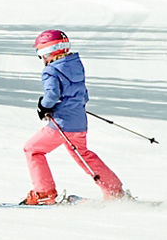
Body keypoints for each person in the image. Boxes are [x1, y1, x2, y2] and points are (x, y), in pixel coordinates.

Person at [19, 29, 124, 205]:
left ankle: (44, 193)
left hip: (61, 124)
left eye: (40, 54)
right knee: (84, 155)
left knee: (32, 149)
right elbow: (84, 96)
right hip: (79, 121)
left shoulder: (51, 71)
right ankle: (114, 190)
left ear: (48, 51)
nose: (42, 59)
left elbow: (52, 95)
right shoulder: (75, 66)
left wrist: (43, 106)